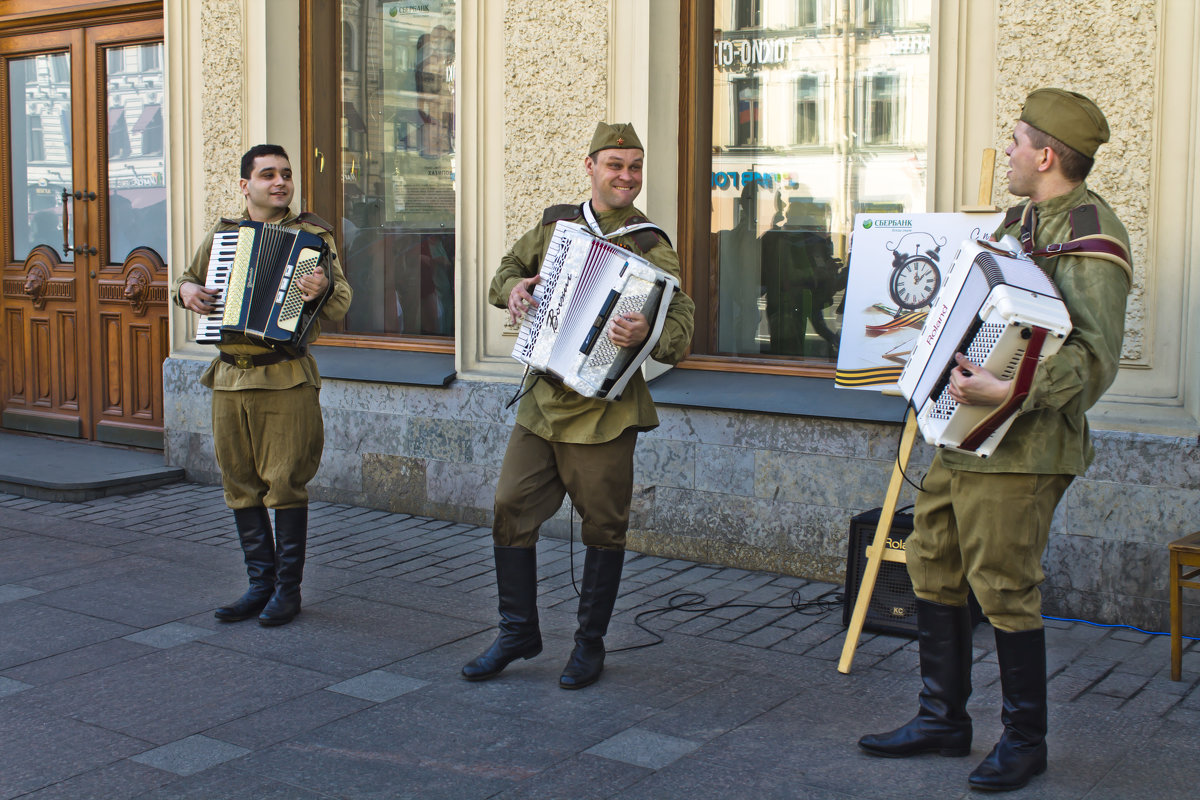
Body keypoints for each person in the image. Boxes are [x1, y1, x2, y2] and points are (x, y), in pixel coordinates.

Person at [858, 88, 1132, 792]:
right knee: (932, 563)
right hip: (964, 434)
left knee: (1005, 588)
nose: (1005, 152)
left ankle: (1025, 740)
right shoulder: (1020, 221)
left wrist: (1009, 390)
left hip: (1027, 447)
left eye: (1015, 142)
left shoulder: (1094, 237)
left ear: (1046, 155)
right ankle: (942, 720)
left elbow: (1094, 358)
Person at [462, 122, 695, 689]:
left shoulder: (650, 245)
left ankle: (589, 644)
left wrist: (645, 329)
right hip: (542, 399)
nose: (627, 176)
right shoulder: (556, 226)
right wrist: (515, 292)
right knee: (509, 506)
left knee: (603, 527)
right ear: (589, 166)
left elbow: (680, 326)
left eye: (635, 166)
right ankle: (518, 631)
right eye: (615, 164)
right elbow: (505, 275)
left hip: (603, 410)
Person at [172, 144, 352, 627]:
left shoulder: (314, 237)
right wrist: (186, 291)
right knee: (240, 485)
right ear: (244, 185)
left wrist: (323, 288)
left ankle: (287, 592)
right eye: (268, 174)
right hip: (229, 377)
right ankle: (259, 585)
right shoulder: (224, 234)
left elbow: (340, 301)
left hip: (284, 375)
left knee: (286, 484)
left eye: (286, 174)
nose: (280, 182)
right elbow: (187, 281)